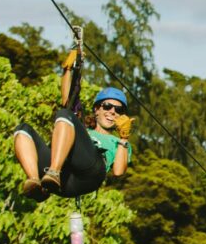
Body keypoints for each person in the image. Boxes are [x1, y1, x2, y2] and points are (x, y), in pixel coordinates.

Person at [13, 50, 135, 201]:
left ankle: (54, 171)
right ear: (97, 109)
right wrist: (67, 70)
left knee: (66, 115)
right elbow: (68, 101)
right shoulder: (80, 128)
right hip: (63, 180)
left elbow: (118, 171)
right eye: (107, 106)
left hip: (90, 174)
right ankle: (35, 182)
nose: (112, 112)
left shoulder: (119, 143)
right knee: (22, 130)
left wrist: (123, 138)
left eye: (118, 110)